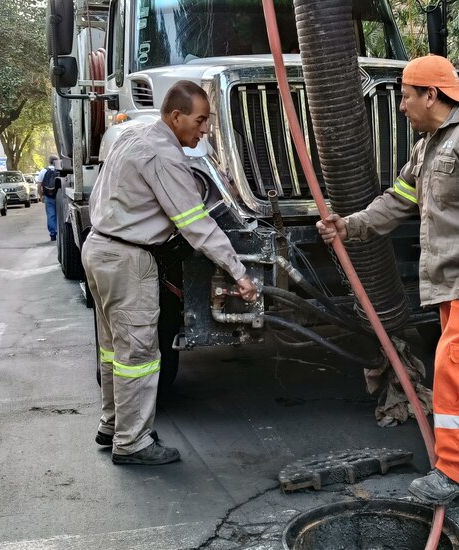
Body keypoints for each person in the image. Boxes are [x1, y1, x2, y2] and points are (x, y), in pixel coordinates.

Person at [316, 55, 459, 505]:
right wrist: (349, 226)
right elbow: (397, 201)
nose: (401, 106)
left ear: (431, 95)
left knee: (453, 366)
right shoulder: (431, 144)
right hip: (457, 280)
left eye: (406, 96)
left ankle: (456, 473)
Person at [83, 80, 258, 466]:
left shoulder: (134, 136)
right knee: (140, 353)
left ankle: (113, 424)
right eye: (200, 120)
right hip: (129, 259)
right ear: (176, 116)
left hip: (100, 249)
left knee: (113, 349)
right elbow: (197, 225)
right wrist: (238, 272)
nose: (205, 129)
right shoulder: (164, 155)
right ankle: (133, 442)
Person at [36, 155, 60, 241]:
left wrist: (41, 196)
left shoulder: (44, 171)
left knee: (51, 214)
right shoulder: (59, 170)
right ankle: (60, 231)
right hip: (59, 195)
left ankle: (53, 234)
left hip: (48, 196)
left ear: (49, 161)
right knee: (59, 214)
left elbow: (39, 184)